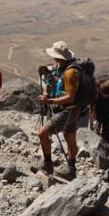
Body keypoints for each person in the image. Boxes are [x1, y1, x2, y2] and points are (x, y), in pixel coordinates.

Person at [35, 41, 85, 179]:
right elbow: (54, 77)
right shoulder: (64, 67)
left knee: (43, 133)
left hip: (68, 109)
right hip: (73, 109)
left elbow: (70, 97)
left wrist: (49, 101)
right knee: (70, 138)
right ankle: (71, 169)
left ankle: (48, 165)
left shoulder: (70, 73)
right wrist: (45, 73)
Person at [94, 78, 109, 145]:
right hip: (98, 112)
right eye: (105, 95)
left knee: (107, 133)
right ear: (100, 92)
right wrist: (95, 120)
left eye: (108, 95)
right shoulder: (95, 93)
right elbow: (92, 106)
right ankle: (97, 147)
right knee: (96, 132)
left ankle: (106, 148)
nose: (106, 97)